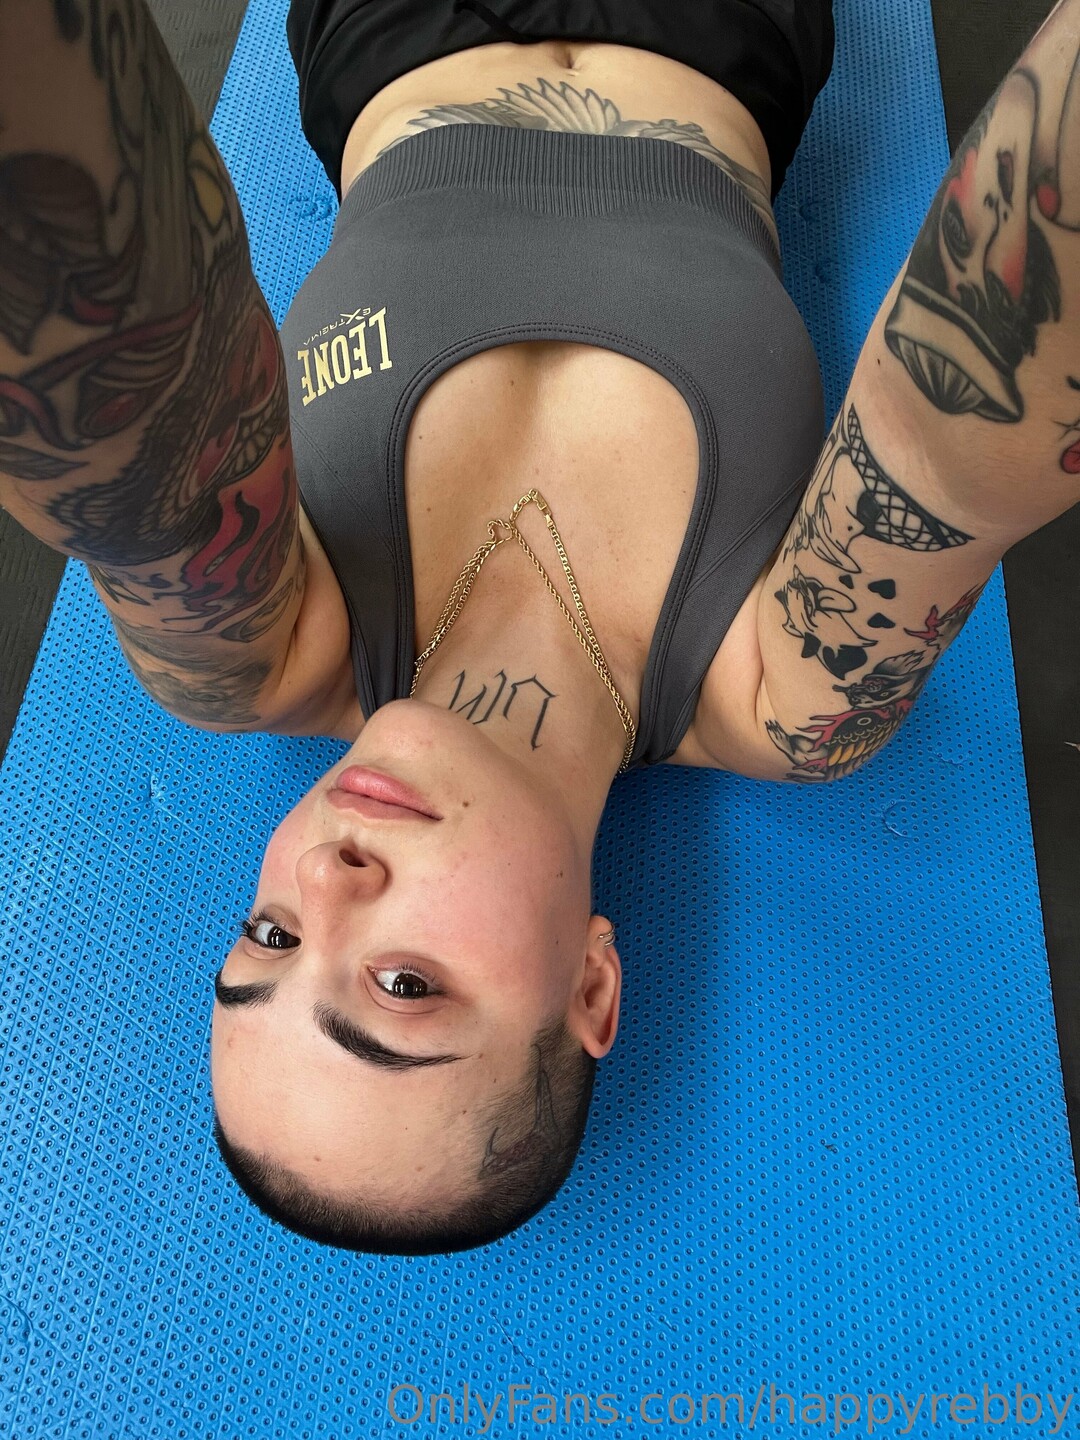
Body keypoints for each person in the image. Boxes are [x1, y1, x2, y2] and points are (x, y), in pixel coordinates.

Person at [2, 0, 1079, 1255]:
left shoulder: (263, 651)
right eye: (402, 985)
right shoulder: (783, 695)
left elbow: (114, 397)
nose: (326, 881)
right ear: (591, 986)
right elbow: (964, 425)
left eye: (271, 936)